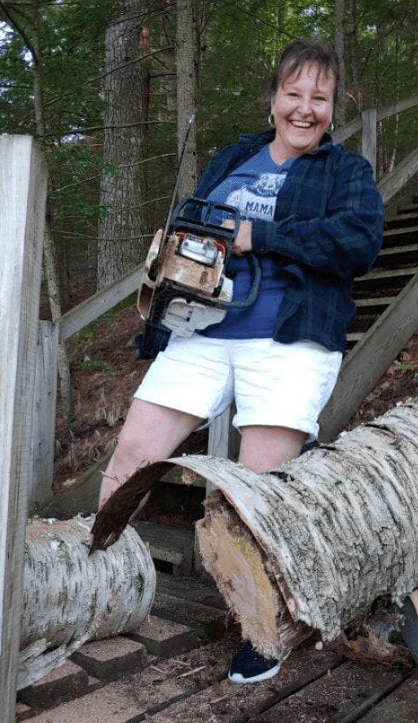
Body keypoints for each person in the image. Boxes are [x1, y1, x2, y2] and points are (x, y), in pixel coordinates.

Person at [97, 39, 385, 683]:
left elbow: (358, 244)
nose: (305, 109)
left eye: (320, 98)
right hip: (201, 332)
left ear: (333, 108)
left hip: (287, 341)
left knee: (255, 494)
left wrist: (263, 235)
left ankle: (263, 629)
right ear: (274, 98)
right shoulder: (233, 158)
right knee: (131, 457)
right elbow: (196, 229)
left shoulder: (346, 174)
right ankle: (94, 583)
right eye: (294, 94)